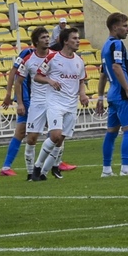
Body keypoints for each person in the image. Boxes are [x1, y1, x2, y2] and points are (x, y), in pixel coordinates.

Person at [29, 27, 88, 181]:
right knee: (55, 135)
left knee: (60, 139)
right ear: (65, 41)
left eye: (78, 38)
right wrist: (50, 80)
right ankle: (37, 166)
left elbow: (81, 81)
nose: (77, 41)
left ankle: (44, 172)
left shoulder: (79, 61)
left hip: (71, 104)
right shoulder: (53, 58)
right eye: (74, 38)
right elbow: (37, 77)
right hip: (55, 102)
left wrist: (82, 94)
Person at [0, 27, 51, 178]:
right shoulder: (27, 54)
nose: (47, 40)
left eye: (48, 37)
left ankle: (54, 161)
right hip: (29, 99)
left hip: (42, 99)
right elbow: (14, 74)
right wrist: (11, 95)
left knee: (52, 128)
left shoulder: (51, 54)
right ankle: (7, 166)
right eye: (43, 37)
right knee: (24, 131)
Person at [97, 12, 128, 177]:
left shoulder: (105, 46)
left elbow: (103, 74)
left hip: (112, 94)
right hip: (121, 93)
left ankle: (106, 170)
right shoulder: (117, 45)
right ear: (115, 27)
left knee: (111, 132)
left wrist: (100, 97)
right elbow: (116, 67)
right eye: (125, 26)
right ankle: (125, 168)